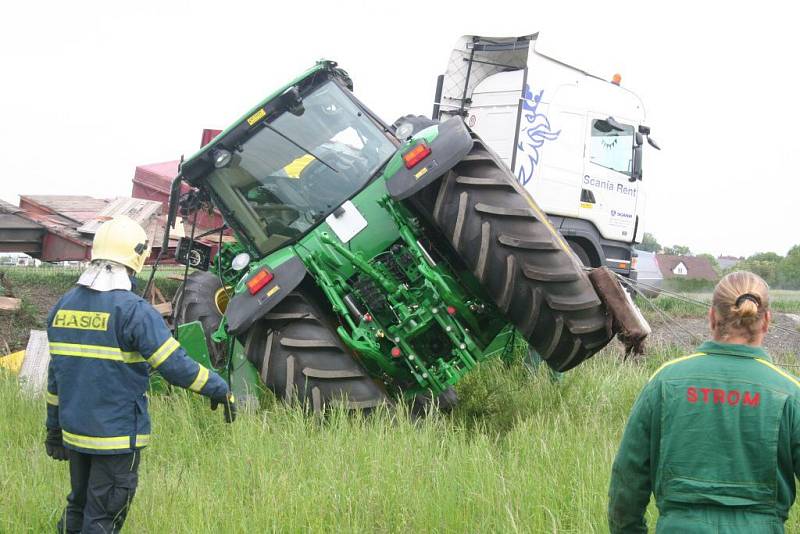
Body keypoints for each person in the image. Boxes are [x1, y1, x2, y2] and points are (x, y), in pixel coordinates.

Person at [44, 216, 236, 534]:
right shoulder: (133, 311)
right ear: (137, 257)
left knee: (77, 508)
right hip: (117, 439)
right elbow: (175, 366)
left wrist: (53, 431)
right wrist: (217, 387)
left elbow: (56, 378)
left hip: (76, 435)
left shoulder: (62, 307)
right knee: (104, 518)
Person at [607, 271, 800, 533]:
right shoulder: (789, 392)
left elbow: (628, 478)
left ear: (711, 317)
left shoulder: (665, 381)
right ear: (766, 320)